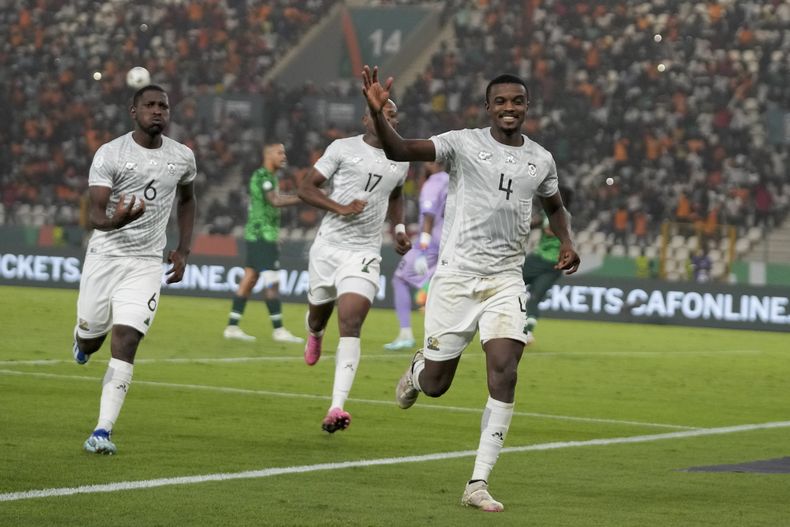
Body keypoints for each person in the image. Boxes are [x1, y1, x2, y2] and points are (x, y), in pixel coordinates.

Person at [362, 66, 580, 512]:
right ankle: (419, 370)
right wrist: (377, 113)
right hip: (457, 277)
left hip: (505, 280)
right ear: (487, 107)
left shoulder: (541, 159)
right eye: (500, 101)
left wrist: (567, 240)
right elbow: (400, 148)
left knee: (505, 368)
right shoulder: (461, 143)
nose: (509, 108)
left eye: (516, 101)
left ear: (527, 107)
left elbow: (556, 206)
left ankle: (477, 482)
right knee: (438, 384)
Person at [72, 84, 197, 455]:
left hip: (145, 263)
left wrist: (183, 249)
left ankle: (102, 431)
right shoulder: (110, 154)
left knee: (126, 340)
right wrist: (116, 220)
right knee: (91, 337)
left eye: (163, 105)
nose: (157, 111)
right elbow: (95, 214)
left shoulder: (183, 157)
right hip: (105, 257)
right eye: (150, 105)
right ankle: (81, 342)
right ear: (134, 111)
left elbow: (188, 200)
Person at [297, 100, 411, 433]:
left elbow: (397, 194)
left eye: (393, 116)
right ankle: (315, 333)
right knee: (318, 315)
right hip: (328, 249)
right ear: (366, 119)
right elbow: (306, 187)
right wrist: (339, 207)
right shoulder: (342, 148)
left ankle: (336, 406)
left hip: (364, 253)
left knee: (351, 321)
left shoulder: (400, 158)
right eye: (382, 114)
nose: (388, 119)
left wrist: (399, 230)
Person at [223, 143, 303, 343]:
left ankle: (232, 326)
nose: (283, 156)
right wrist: (304, 197)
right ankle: (279, 330)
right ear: (268, 156)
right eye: (279, 152)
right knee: (272, 282)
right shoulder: (263, 176)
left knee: (249, 278)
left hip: (258, 234)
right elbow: (274, 201)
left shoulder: (270, 177)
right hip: (262, 236)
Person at [384, 161, 449, 350]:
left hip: (430, 243)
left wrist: (422, 248)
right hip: (448, 241)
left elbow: (428, 216)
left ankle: (406, 334)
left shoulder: (433, 183)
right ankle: (429, 288)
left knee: (399, 279)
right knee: (440, 285)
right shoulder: (450, 180)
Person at [522, 185, 574, 344]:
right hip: (555, 266)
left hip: (542, 260)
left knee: (510, 280)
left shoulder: (556, 213)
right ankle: (527, 332)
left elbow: (547, 227)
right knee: (534, 297)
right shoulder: (564, 214)